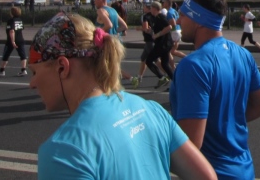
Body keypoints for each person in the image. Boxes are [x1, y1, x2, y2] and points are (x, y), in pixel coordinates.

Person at [28, 12, 217, 180]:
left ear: (62, 67)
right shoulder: (151, 109)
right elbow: (206, 176)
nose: (32, 83)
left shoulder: (64, 151)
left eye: (35, 72)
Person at [171, 0, 260, 180]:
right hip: (244, 169)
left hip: (213, 172)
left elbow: (191, 145)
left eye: (182, 15)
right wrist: (226, 123)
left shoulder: (193, 65)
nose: (178, 20)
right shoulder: (243, 54)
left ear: (198, 19)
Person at [146, 1, 174, 89]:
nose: (150, 9)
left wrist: (157, 35)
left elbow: (169, 27)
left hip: (163, 44)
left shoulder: (160, 16)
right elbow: (157, 30)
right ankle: (176, 84)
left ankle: (162, 77)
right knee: (165, 64)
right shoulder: (154, 18)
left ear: (155, 8)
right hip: (164, 43)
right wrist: (150, 31)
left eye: (151, 8)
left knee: (149, 60)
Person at [0, 6, 27, 77]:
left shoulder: (11, 20)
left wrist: (13, 41)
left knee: (6, 55)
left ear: (12, 13)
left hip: (11, 40)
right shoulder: (20, 20)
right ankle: (23, 70)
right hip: (20, 39)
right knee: (22, 55)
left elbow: (12, 31)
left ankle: (2, 71)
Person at [130, 3, 155, 89]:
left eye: (144, 7)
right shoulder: (154, 16)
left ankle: (166, 75)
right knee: (143, 58)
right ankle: (139, 77)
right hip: (152, 39)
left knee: (155, 59)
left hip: (149, 40)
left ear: (147, 8)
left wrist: (138, 28)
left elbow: (145, 28)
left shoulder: (146, 17)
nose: (143, 8)